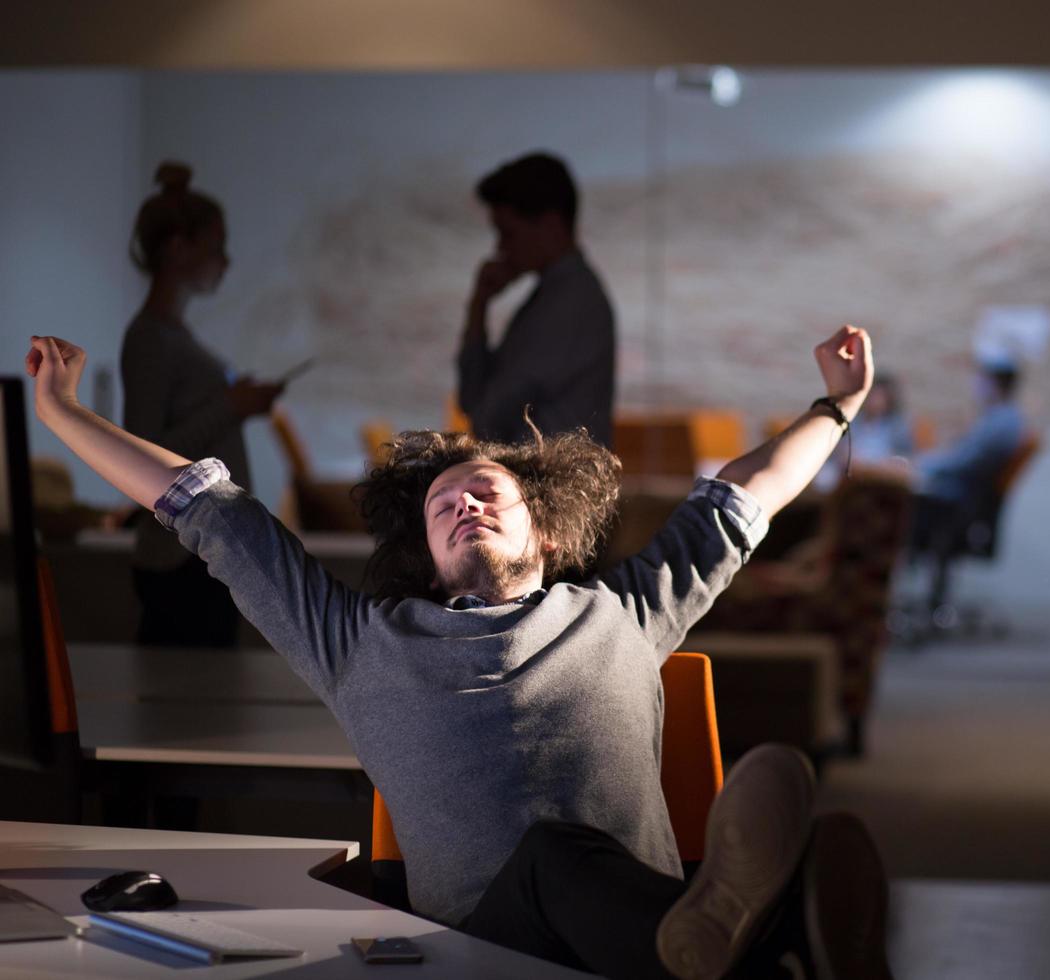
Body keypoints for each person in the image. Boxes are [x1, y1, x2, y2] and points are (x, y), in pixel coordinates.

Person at [27, 325, 890, 980]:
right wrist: (61, 413)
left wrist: (838, 407)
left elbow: (745, 497)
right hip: (492, 946)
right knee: (557, 857)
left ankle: (740, 935)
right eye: (444, 506)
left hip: (635, 931)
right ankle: (751, 933)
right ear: (425, 554)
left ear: (548, 533)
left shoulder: (621, 613)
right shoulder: (360, 643)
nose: (464, 506)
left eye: (486, 492)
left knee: (792, 870)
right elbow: (205, 510)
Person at [120, 162, 283, 647]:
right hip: (181, 556)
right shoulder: (152, 338)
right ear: (178, 247)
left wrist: (234, 403)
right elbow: (141, 453)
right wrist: (232, 406)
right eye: (215, 248)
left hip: (197, 549)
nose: (224, 262)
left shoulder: (170, 335)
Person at [457, 152, 616, 448]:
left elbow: (486, 419)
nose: (501, 246)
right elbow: (475, 405)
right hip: (548, 485)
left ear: (551, 225)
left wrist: (478, 307)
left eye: (508, 232)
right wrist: (479, 305)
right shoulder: (556, 298)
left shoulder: (569, 304)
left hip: (555, 490)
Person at [907, 351, 1028, 619]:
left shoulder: (1002, 422)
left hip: (958, 507)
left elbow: (962, 462)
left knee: (900, 511)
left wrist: (917, 465)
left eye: (981, 380)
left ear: (994, 384)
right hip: (960, 500)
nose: (976, 386)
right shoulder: (997, 418)